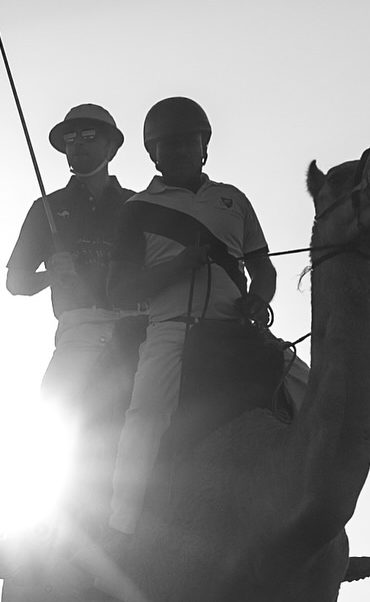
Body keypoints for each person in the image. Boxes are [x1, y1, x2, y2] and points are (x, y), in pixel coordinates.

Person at [103, 97, 275, 545]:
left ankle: (325, 533)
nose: (179, 149)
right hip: (172, 330)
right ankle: (122, 535)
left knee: (309, 392)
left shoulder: (233, 199)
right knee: (145, 415)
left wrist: (259, 298)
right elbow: (118, 290)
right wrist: (180, 266)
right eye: (167, 143)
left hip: (240, 330)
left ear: (204, 146)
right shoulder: (136, 208)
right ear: (153, 153)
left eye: (187, 141)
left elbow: (264, 267)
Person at [5, 103, 133, 413]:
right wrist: (51, 276)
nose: (77, 143)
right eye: (70, 138)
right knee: (55, 407)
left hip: (136, 326)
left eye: (89, 135)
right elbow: (14, 282)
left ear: (111, 147)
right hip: (78, 327)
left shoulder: (137, 205)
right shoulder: (45, 207)